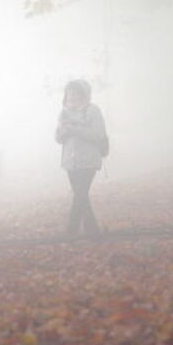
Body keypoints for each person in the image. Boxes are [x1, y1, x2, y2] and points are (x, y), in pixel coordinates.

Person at [55, 79, 108, 236]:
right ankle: (92, 231)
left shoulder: (93, 111)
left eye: (75, 92)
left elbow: (98, 135)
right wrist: (63, 132)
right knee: (81, 197)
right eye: (69, 93)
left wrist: (74, 129)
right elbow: (58, 138)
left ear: (83, 94)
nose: (71, 96)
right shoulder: (63, 112)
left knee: (80, 195)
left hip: (88, 162)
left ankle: (71, 231)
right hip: (70, 163)